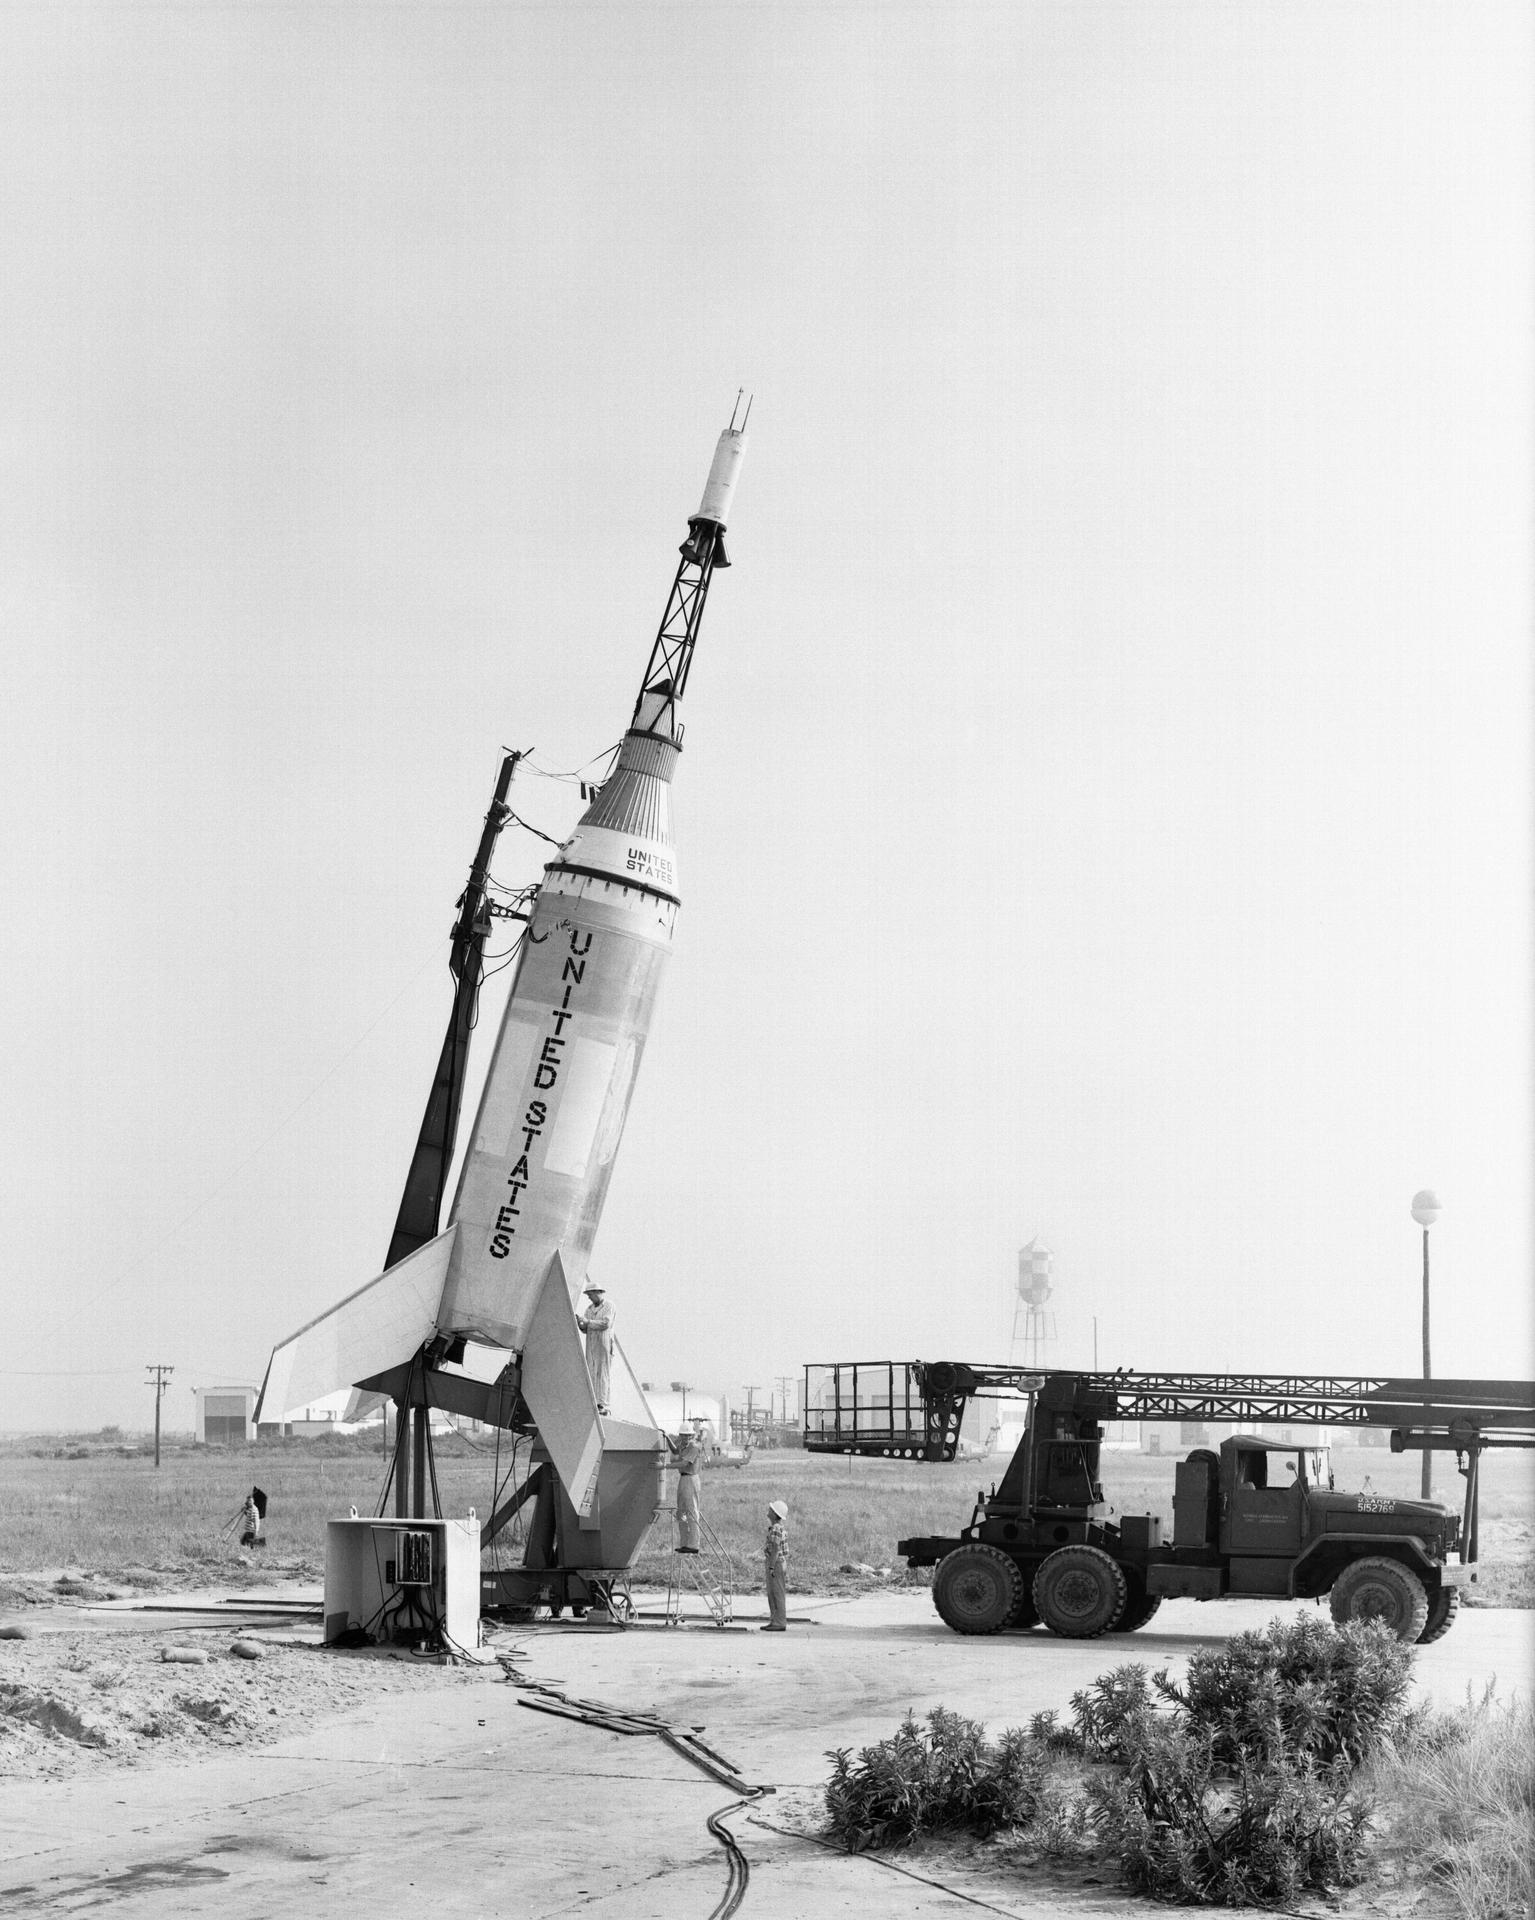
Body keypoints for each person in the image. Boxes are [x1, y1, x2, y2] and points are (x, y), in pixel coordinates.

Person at [576, 1283, 615, 1414]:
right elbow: (586, 1329)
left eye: (590, 1295)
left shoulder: (609, 1306)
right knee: (591, 1371)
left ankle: (602, 1402)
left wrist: (588, 1322)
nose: (589, 1298)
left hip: (604, 1344)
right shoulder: (589, 1309)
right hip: (591, 1344)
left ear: (597, 1292)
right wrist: (580, 1324)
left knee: (603, 1372)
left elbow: (605, 1323)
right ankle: (593, 1400)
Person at [669, 1427, 703, 1552]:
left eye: (689, 1435)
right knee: (680, 1512)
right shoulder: (682, 1446)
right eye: (684, 1435)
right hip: (683, 1478)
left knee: (692, 1511)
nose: (686, 1438)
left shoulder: (694, 1447)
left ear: (692, 1436)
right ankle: (685, 1543)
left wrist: (665, 1466)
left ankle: (694, 1545)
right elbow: (674, 1450)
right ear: (680, 1435)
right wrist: (667, 1438)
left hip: (691, 1478)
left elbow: (684, 1463)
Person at [764, 1500, 788, 1629]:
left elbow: (775, 1548)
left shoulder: (776, 1529)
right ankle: (775, 1621)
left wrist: (772, 1566)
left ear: (775, 1514)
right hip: (777, 1562)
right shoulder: (777, 1528)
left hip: (776, 1563)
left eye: (771, 1510)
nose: (769, 1511)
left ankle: (779, 1622)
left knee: (776, 1593)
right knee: (773, 1592)